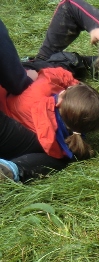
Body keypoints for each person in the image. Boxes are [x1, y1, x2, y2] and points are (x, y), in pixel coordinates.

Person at [0, 18, 78, 182]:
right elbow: (16, 82)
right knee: (61, 153)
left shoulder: (44, 84)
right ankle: (14, 169)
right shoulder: (41, 107)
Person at [0, 66, 99, 163]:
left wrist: (30, 75)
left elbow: (54, 74)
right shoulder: (59, 143)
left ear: (61, 98)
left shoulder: (40, 91)